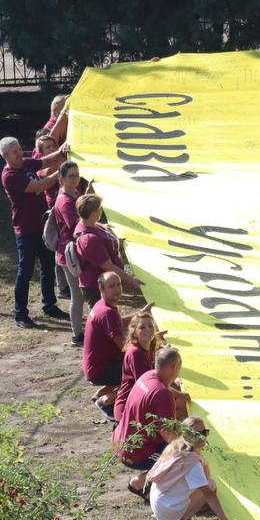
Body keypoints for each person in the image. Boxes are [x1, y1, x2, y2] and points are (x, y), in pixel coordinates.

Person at [0, 136, 72, 329]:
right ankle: (20, 313)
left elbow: (45, 161)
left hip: (41, 226)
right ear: (5, 155)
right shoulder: (10, 176)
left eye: (20, 148)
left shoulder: (25, 164)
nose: (20, 153)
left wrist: (62, 151)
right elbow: (40, 186)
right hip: (25, 230)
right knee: (26, 271)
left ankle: (50, 305)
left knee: (47, 266)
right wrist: (62, 172)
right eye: (15, 151)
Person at [147, 417, 236, 520]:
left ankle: (169, 515)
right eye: (197, 434)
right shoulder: (191, 463)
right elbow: (209, 494)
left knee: (202, 483)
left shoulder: (175, 447)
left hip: (159, 504)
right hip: (167, 510)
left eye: (204, 432)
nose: (202, 437)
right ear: (187, 435)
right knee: (210, 485)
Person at [114, 345, 183, 495]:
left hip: (119, 441)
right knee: (179, 455)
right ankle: (140, 483)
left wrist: (179, 395)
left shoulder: (148, 375)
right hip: (134, 454)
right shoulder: (163, 395)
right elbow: (168, 433)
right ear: (174, 367)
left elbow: (158, 389)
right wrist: (187, 449)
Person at [84, 272, 151, 415]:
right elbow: (124, 347)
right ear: (102, 289)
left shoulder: (101, 305)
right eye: (111, 286)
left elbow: (118, 323)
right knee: (138, 375)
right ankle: (105, 402)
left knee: (134, 363)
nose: (117, 289)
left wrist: (139, 314)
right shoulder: (107, 312)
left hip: (95, 365)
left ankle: (100, 394)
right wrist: (150, 347)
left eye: (119, 285)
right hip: (100, 369)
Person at [74, 194, 143, 305]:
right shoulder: (89, 240)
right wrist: (131, 280)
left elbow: (96, 225)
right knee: (105, 316)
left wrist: (104, 227)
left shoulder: (90, 223)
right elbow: (109, 266)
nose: (101, 210)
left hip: (105, 283)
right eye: (99, 209)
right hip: (97, 287)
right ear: (93, 214)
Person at [52, 161, 86, 345]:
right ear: (62, 179)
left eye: (77, 175)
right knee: (77, 295)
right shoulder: (64, 200)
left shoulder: (74, 193)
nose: (75, 179)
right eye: (71, 176)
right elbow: (77, 226)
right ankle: (76, 335)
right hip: (69, 255)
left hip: (76, 251)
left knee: (81, 294)